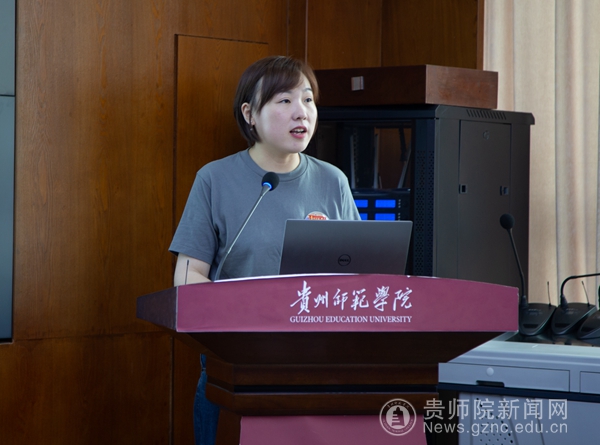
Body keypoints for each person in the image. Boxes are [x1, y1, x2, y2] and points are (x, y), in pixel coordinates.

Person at [169, 55, 360, 445]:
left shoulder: (332, 181)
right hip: (236, 367)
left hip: (318, 367)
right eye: (284, 100)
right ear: (249, 114)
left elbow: (358, 273)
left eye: (308, 99)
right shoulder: (214, 179)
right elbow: (188, 277)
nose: (301, 112)